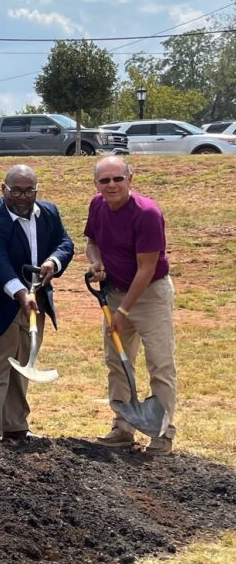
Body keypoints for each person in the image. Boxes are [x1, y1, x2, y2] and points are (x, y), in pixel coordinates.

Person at [0, 164, 74, 442]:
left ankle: (15, 427)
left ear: (37, 191)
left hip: (32, 303)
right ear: (3, 189)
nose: (22, 196)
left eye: (29, 191)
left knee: (22, 365)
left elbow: (65, 242)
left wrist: (53, 261)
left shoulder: (48, 213)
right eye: (16, 191)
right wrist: (21, 294)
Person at [84, 154, 177, 453]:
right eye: (104, 180)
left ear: (130, 179)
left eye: (117, 179)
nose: (111, 185)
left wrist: (123, 312)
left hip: (150, 294)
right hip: (114, 291)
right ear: (97, 183)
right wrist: (96, 263)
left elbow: (146, 268)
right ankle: (123, 426)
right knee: (117, 362)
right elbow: (92, 243)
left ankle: (162, 433)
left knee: (159, 363)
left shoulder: (147, 213)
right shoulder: (97, 205)